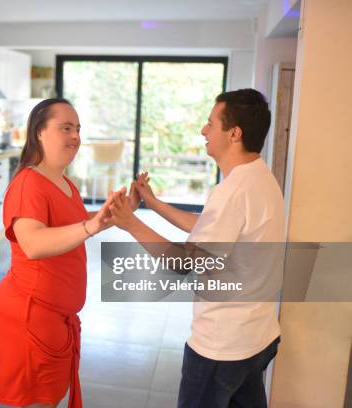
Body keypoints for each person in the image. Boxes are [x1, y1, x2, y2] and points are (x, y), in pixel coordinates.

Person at [108, 89, 284, 407]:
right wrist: (153, 203)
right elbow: (207, 226)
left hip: (222, 347)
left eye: (210, 123)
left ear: (234, 134)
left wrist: (129, 222)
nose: (204, 130)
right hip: (258, 336)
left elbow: (183, 263)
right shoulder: (261, 177)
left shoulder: (233, 190)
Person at [0, 98, 124, 408]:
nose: (75, 136)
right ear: (39, 132)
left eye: (77, 129)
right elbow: (34, 244)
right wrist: (90, 227)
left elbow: (72, 228)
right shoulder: (29, 184)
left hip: (54, 316)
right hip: (31, 314)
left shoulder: (65, 183)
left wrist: (104, 218)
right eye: (66, 128)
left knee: (48, 398)